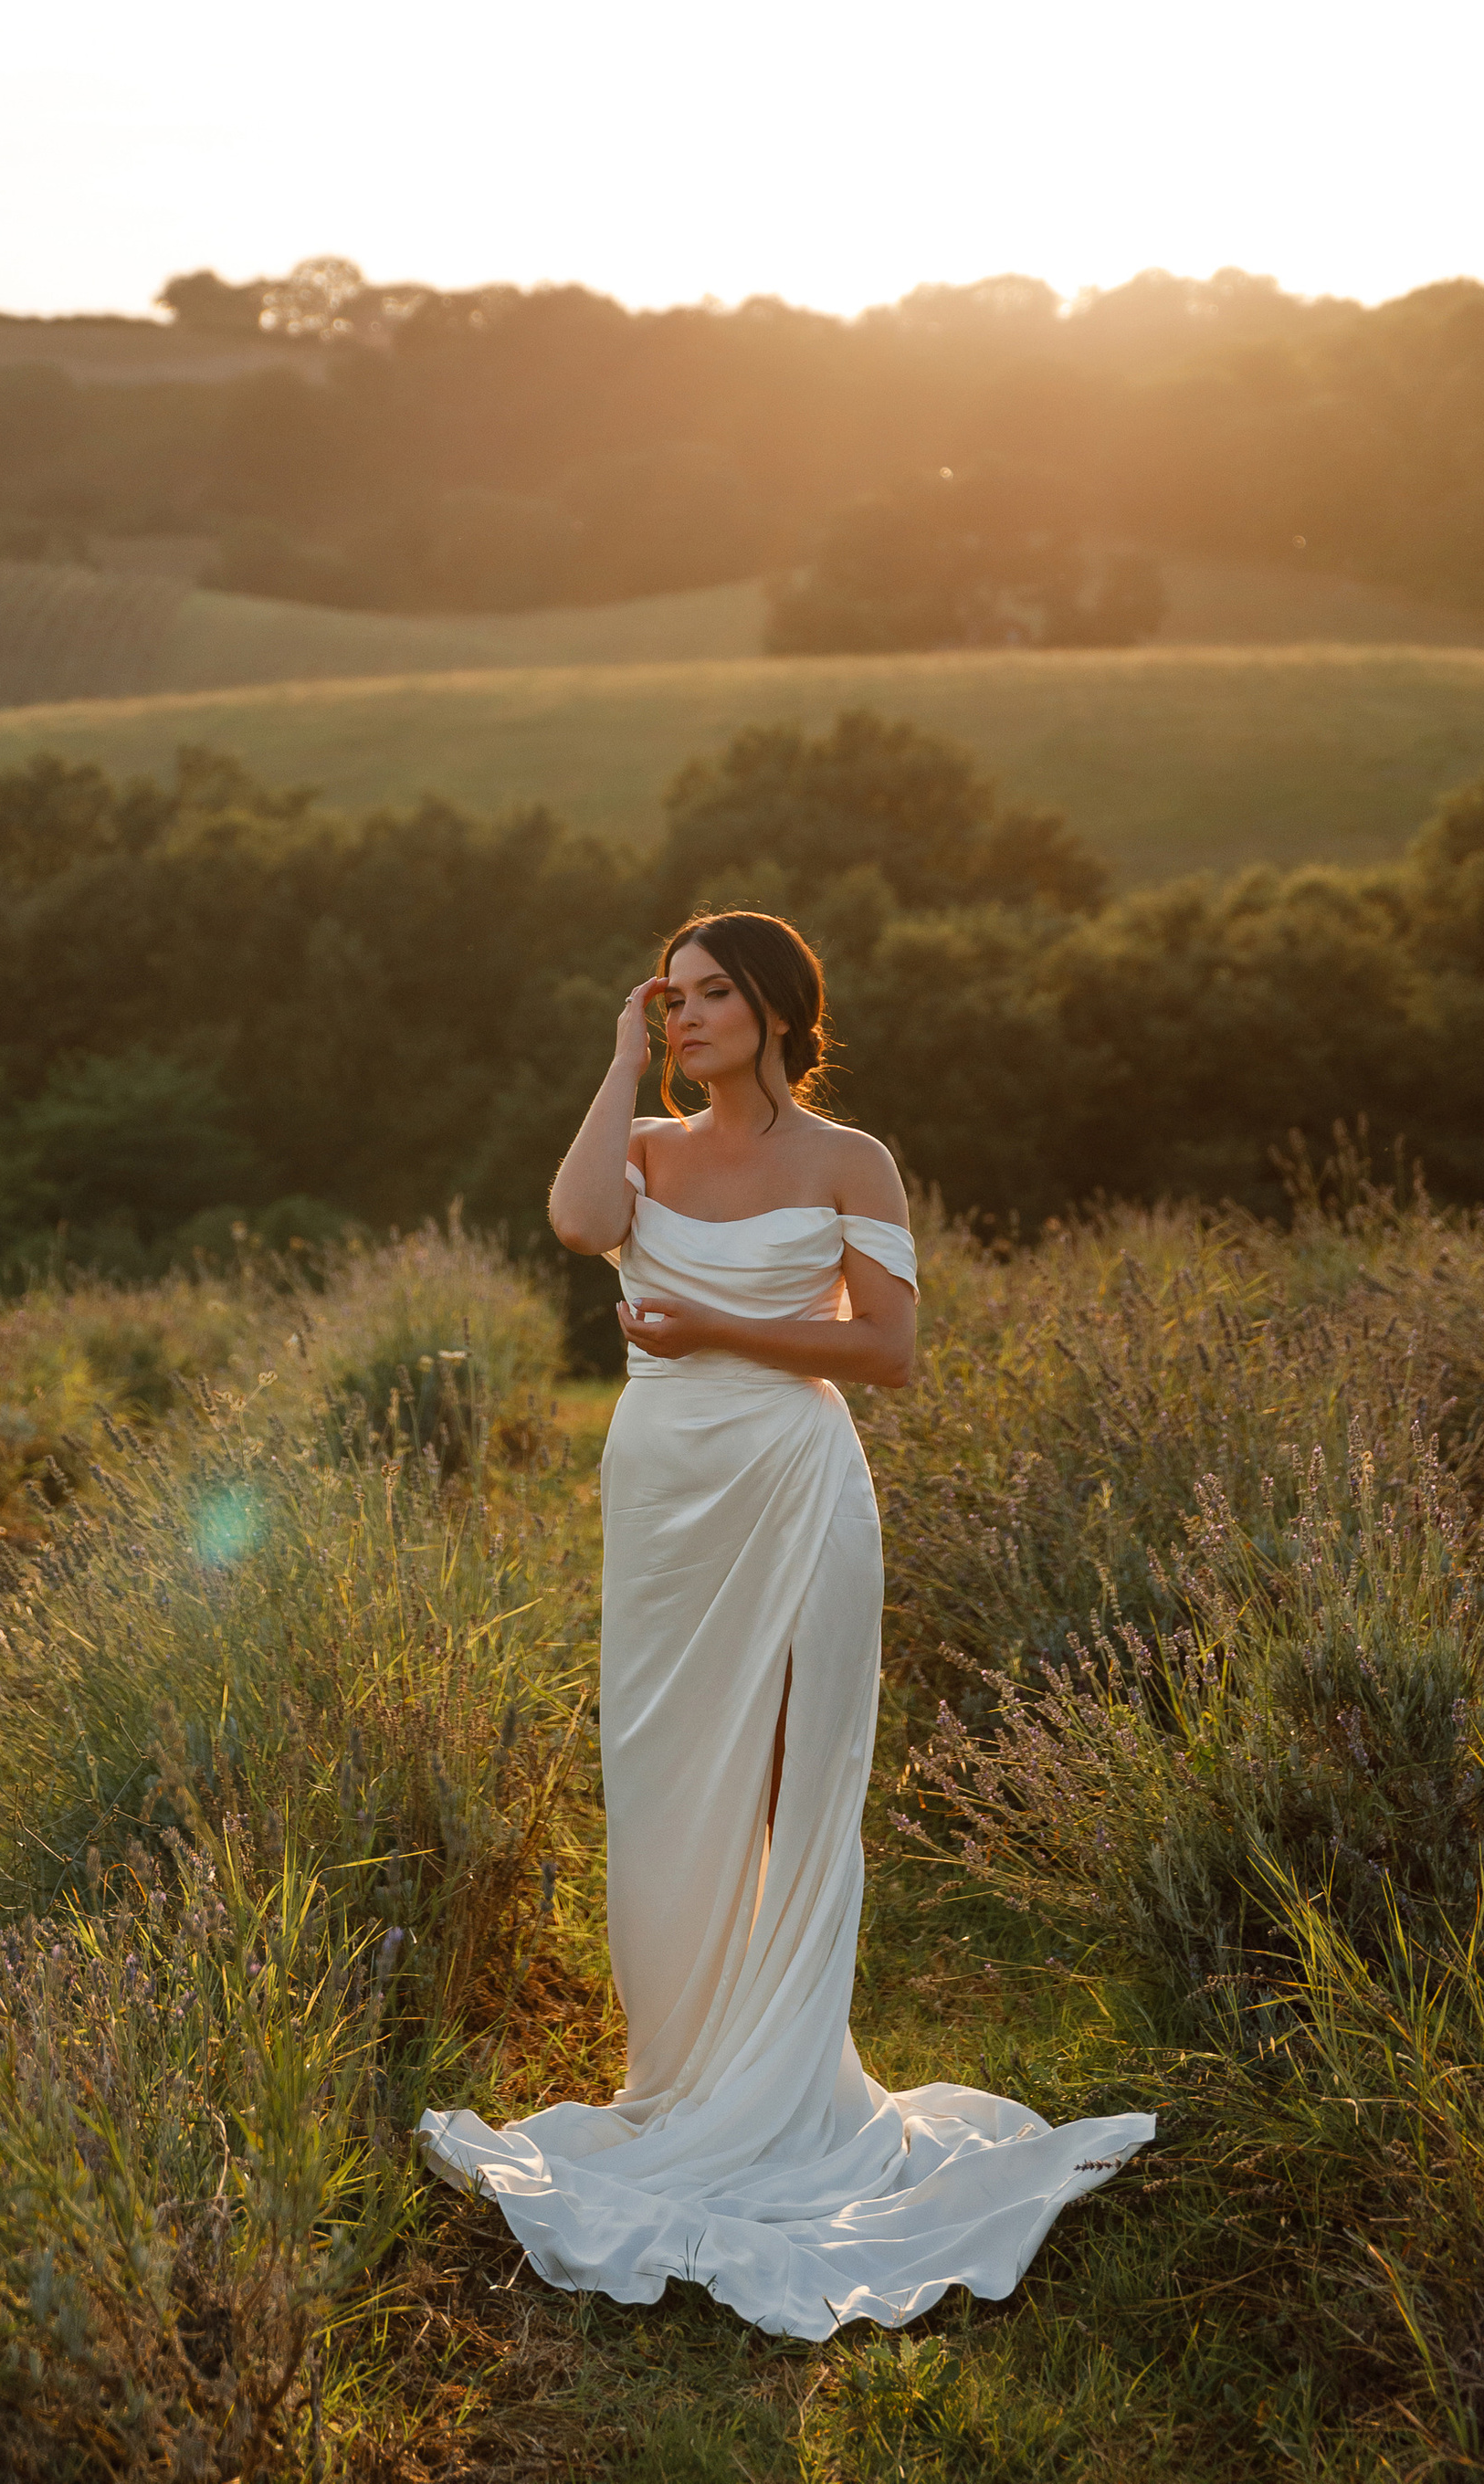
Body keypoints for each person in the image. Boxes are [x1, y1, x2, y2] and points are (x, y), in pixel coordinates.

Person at [416, 908, 1152, 2340]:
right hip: (665, 1492)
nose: (684, 1016)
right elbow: (576, 1227)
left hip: (798, 1480)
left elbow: (890, 1350)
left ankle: (787, 2089)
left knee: (790, 1781)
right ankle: (686, 2074)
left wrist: (721, 1330)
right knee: (670, 1775)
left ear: (769, 1005)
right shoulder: (638, 1148)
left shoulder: (848, 1160)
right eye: (668, 999)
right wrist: (618, 1063)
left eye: (705, 998)